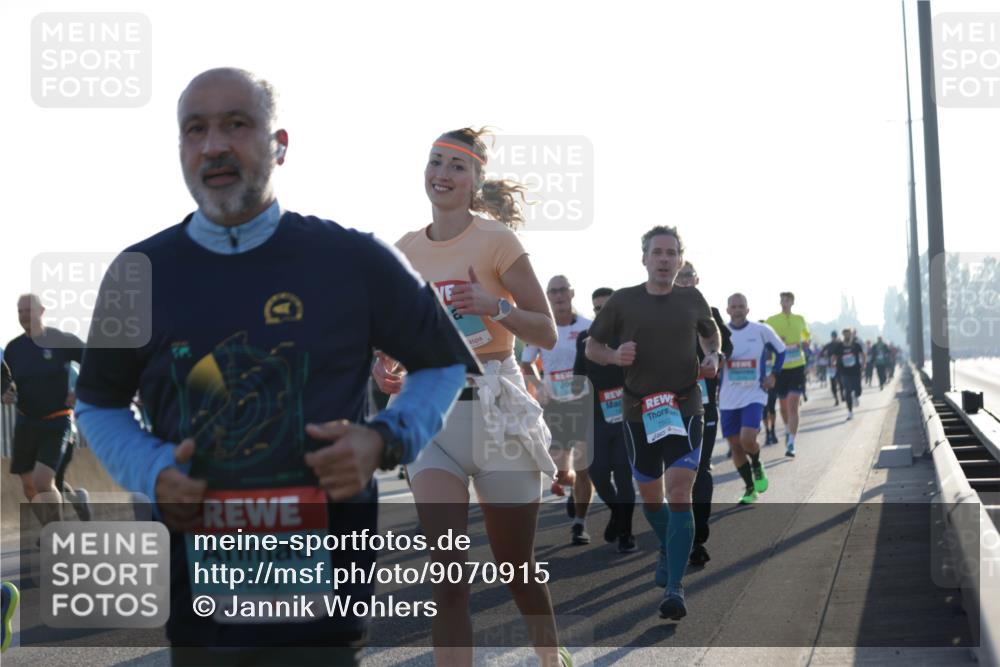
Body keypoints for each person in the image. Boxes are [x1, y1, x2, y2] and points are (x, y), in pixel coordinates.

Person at [75, 68, 475, 667]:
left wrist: (384, 439)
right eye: (195, 129)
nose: (214, 144)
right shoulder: (139, 273)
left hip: (326, 599)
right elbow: (98, 404)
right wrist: (153, 469)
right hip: (198, 601)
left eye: (237, 125)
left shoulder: (352, 258)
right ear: (181, 149)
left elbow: (442, 363)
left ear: (279, 144)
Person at [375, 127, 571, 667]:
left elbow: (547, 333)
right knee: (448, 580)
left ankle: (550, 659)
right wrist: (384, 360)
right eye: (435, 161)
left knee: (517, 570)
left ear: (476, 179)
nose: (442, 173)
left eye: (456, 166)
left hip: (496, 411)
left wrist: (493, 304)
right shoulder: (404, 250)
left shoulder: (497, 243)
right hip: (430, 417)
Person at [586, 225, 721, 622]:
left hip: (685, 405)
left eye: (671, 253)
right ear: (644, 258)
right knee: (652, 500)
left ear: (680, 259)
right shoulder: (624, 302)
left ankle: (675, 588)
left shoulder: (693, 298)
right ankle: (667, 545)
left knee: (680, 493)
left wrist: (712, 358)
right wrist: (614, 357)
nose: (664, 259)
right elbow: (592, 347)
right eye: (657, 253)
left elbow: (711, 338)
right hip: (637, 412)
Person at [3, 294, 90, 526]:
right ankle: (52, 527)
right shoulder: (13, 349)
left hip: (58, 422)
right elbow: (5, 378)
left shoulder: (60, 340)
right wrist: (5, 391)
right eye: (20, 311)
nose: (23, 316)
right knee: (30, 487)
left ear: (41, 311)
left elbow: (94, 359)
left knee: (44, 482)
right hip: (26, 423)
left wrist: (80, 390)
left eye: (28, 310)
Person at [522, 275, 592, 545]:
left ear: (572, 293)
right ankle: (573, 489)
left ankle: (580, 524)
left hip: (583, 403)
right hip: (555, 407)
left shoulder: (588, 326)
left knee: (584, 466)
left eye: (563, 290)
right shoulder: (542, 329)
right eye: (553, 292)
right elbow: (526, 364)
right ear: (548, 297)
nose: (559, 295)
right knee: (562, 473)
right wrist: (538, 388)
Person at [672, 262, 732, 567]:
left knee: (700, 467)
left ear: (696, 279)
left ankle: (697, 538)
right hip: (665, 404)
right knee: (673, 471)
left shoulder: (709, 311)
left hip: (703, 400)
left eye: (687, 276)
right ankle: (676, 533)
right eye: (678, 276)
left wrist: (714, 357)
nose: (682, 281)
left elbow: (725, 348)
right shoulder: (657, 311)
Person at [573, 287, 636, 553]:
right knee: (597, 473)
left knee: (623, 477)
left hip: (626, 418)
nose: (602, 312)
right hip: (597, 419)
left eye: (606, 307)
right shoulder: (585, 340)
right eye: (597, 308)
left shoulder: (631, 337)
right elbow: (578, 378)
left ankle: (626, 534)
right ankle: (618, 516)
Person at [719, 294, 785, 504]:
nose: (737, 310)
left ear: (748, 310)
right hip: (728, 397)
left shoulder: (760, 330)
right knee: (736, 446)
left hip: (754, 394)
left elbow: (781, 351)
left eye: (741, 306)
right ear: (728, 310)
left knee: (747, 439)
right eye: (733, 306)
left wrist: (773, 375)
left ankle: (756, 463)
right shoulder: (720, 333)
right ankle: (749, 489)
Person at [765, 293, 810, 457]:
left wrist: (806, 341)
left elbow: (806, 335)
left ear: (792, 302)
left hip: (798, 365)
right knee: (783, 407)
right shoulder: (772, 320)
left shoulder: (799, 319)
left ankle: (791, 442)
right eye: (782, 300)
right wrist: (776, 341)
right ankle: (787, 428)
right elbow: (766, 341)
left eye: (787, 300)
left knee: (793, 405)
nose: (784, 303)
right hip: (780, 368)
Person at [831, 328, 866, 420]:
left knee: (858, 390)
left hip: (856, 370)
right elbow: (834, 356)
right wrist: (833, 363)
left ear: (851, 335)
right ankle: (850, 412)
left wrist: (863, 364)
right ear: (843, 335)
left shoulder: (856, 345)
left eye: (848, 334)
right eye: (845, 334)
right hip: (844, 371)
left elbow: (863, 354)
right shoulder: (840, 346)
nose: (847, 336)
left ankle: (856, 395)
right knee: (847, 391)